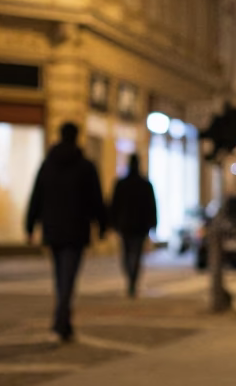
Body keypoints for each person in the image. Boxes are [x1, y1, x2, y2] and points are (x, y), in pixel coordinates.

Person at [25, 122, 108, 342]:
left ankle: (65, 323)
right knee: (68, 278)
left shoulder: (48, 165)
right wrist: (101, 226)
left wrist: (30, 226)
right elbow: (96, 200)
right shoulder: (86, 166)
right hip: (76, 230)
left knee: (61, 277)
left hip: (53, 229)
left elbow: (36, 196)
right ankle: (60, 323)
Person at [110, 153, 157, 297]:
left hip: (126, 225)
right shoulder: (145, 184)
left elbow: (114, 205)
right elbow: (152, 206)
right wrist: (153, 223)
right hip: (139, 226)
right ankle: (132, 279)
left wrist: (113, 222)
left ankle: (131, 278)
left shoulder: (122, 184)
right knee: (136, 254)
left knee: (127, 253)